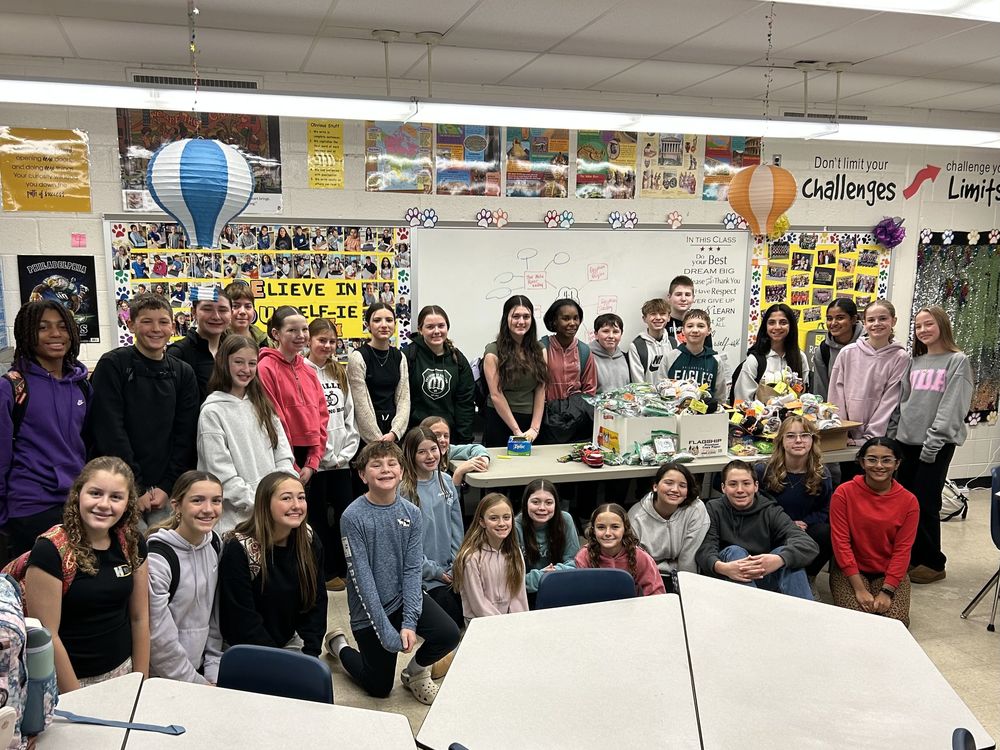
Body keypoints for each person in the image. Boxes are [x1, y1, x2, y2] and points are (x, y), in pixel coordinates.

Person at [324, 442, 461, 705]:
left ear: (401, 472)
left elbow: (412, 570)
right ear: (363, 475)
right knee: (379, 687)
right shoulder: (352, 517)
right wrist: (387, 632)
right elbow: (361, 579)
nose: (385, 470)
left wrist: (409, 622)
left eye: (391, 464)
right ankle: (339, 646)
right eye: (376, 465)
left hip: (401, 598)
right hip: (369, 609)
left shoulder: (411, 513)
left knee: (449, 634)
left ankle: (415, 673)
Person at [24, 456, 149, 691]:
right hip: (69, 683)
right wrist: (79, 700)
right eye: (95, 493)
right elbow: (47, 636)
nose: (104, 504)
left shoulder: (132, 543)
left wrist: (141, 682)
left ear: (128, 503)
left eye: (116, 497)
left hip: (123, 674)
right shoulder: (50, 551)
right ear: (78, 494)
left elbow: (140, 617)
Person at [89, 293, 199, 527]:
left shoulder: (183, 373)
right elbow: (110, 429)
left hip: (165, 490)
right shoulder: (113, 365)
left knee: (164, 556)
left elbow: (185, 434)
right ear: (131, 325)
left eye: (163, 322)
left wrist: (167, 486)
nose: (156, 329)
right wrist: (133, 486)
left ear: (173, 325)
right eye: (146, 321)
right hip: (121, 486)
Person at [889, 306, 973, 584]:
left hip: (935, 444)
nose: (923, 330)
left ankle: (934, 562)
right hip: (906, 443)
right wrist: (895, 438)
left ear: (942, 325)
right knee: (906, 503)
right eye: (918, 326)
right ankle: (912, 556)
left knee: (926, 502)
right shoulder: (915, 362)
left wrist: (933, 442)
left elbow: (952, 406)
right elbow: (903, 402)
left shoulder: (957, 361)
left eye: (929, 324)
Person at [0, 301, 90, 560]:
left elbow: (88, 445)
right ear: (27, 334)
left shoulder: (81, 387)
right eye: (43, 328)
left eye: (63, 327)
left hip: (77, 504)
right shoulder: (12, 388)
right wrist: (6, 516)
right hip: (30, 508)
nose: (55, 334)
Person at [218, 472, 327, 656]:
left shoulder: (307, 540)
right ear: (265, 503)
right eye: (286, 498)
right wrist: (276, 661)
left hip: (291, 643)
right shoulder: (239, 548)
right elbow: (241, 618)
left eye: (301, 498)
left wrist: (311, 651)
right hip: (247, 649)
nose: (296, 505)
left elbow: (316, 603)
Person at [197, 335, 295, 535]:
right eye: (238, 362)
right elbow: (221, 473)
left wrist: (282, 495)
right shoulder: (212, 411)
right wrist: (259, 504)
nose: (246, 369)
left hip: (273, 515)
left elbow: (283, 455)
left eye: (252, 363)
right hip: (237, 520)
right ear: (224, 363)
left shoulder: (263, 405)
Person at [695, 460, 818, 600]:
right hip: (726, 575)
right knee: (735, 551)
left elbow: (808, 544)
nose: (740, 490)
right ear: (723, 488)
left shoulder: (770, 510)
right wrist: (723, 568)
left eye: (746, 483)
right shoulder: (713, 508)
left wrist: (779, 559)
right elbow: (705, 549)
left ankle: (805, 615)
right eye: (733, 484)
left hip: (763, 574)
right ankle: (752, 612)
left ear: (756, 486)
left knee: (788, 558)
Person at [830, 437, 918, 626]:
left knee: (896, 623)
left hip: (888, 571)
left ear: (897, 464)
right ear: (862, 462)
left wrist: (887, 591)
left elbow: (903, 550)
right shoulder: (843, 493)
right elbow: (841, 543)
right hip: (851, 570)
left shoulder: (909, 501)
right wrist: (859, 589)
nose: (879, 465)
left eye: (886, 460)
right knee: (854, 622)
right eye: (872, 459)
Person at [146, 471, 224, 684]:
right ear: (176, 505)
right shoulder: (158, 558)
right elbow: (159, 638)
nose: (208, 509)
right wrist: (194, 683)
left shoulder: (215, 543)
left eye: (216, 501)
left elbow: (214, 617)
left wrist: (213, 670)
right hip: (164, 678)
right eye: (197, 500)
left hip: (201, 672)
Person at [304, 318, 360, 592]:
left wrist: (347, 451)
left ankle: (344, 568)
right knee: (317, 519)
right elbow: (307, 419)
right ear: (309, 341)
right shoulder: (303, 370)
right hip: (317, 464)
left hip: (342, 461)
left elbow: (349, 415)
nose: (326, 346)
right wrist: (323, 454)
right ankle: (325, 572)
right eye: (321, 340)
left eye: (331, 341)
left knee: (345, 517)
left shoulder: (339, 372)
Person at [828, 299, 909, 482]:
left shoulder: (900, 357)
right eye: (871, 320)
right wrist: (843, 430)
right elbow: (836, 394)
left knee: (876, 488)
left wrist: (869, 438)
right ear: (864, 323)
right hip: (847, 439)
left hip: (878, 441)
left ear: (893, 321)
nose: (876, 324)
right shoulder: (848, 353)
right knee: (849, 485)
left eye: (883, 319)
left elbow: (890, 401)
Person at [257, 307, 329, 493]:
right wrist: (290, 463)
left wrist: (313, 461)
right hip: (282, 455)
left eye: (304, 329)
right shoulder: (265, 368)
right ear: (276, 334)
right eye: (292, 330)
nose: (301, 335)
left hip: (310, 460)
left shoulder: (308, 371)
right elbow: (274, 418)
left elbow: (322, 416)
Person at [754, 416, 832, 584]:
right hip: (770, 527)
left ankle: (809, 578)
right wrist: (786, 523)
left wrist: (805, 522)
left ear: (813, 440)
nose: (798, 440)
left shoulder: (822, 474)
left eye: (804, 435)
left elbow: (825, 509)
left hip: (804, 529)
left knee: (826, 533)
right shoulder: (763, 470)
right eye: (790, 436)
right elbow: (756, 505)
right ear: (781, 441)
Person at [399, 426, 464, 630]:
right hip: (425, 575)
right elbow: (405, 545)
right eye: (422, 451)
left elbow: (457, 529)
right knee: (452, 622)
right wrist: (434, 571)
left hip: (452, 570)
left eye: (433, 449)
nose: (430, 456)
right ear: (410, 454)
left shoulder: (446, 481)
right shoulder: (404, 490)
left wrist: (457, 564)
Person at [481, 295, 547, 447]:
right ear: (506, 318)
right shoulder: (493, 352)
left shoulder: (540, 350)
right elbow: (496, 395)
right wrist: (517, 432)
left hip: (531, 422)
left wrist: (534, 429)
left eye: (526, 316)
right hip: (500, 421)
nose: (521, 321)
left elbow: (541, 389)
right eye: (515, 316)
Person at [628, 463, 710, 587]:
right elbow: (637, 562)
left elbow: (688, 558)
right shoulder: (636, 517)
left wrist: (687, 592)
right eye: (669, 483)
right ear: (655, 486)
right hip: (651, 574)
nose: (675, 489)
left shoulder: (696, 509)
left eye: (682, 485)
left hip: (685, 574)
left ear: (687, 491)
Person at [453, 493, 528, 623]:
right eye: (494, 518)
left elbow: (519, 596)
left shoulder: (515, 552)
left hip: (509, 621)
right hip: (480, 622)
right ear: (482, 522)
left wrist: (520, 622)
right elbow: (478, 604)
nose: (501, 523)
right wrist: (502, 623)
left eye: (506, 517)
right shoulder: (471, 557)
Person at [406, 305, 476, 444]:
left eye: (441, 326)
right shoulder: (408, 356)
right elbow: (401, 400)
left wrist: (465, 441)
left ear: (447, 328)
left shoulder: (458, 359)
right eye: (430, 327)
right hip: (416, 437)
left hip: (449, 438)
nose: (436, 331)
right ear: (420, 330)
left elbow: (465, 403)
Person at [347, 303, 410, 446]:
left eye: (389, 320)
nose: (384, 325)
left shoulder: (400, 357)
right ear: (367, 325)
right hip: (366, 436)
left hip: (394, 434)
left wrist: (395, 433)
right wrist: (377, 440)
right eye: (377, 320)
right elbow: (360, 404)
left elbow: (404, 399)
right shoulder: (358, 357)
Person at [539, 297, 597, 443]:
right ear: (554, 321)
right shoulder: (541, 348)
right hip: (546, 419)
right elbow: (535, 385)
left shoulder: (584, 351)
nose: (572, 323)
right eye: (565, 318)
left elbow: (590, 390)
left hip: (577, 420)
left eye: (576, 318)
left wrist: (575, 410)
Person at [513, 480, 580, 607]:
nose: (542, 508)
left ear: (556, 504)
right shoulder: (515, 526)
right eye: (535, 502)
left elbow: (575, 564)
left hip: (559, 588)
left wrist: (549, 575)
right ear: (525, 503)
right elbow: (513, 581)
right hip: (525, 596)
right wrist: (546, 575)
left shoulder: (565, 520)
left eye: (549, 502)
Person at [732, 303, 809, 403]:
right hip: (759, 417)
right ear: (765, 327)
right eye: (771, 322)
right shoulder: (755, 361)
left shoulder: (800, 358)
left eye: (783, 322)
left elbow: (804, 395)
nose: (777, 327)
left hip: (792, 418)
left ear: (791, 326)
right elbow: (742, 400)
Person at [167, 284, 232, 402]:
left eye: (223, 310)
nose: (216, 316)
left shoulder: (233, 352)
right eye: (207, 309)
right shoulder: (178, 354)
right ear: (194, 312)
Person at [663, 309, 731, 405]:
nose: (695, 330)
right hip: (675, 416)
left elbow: (720, 397)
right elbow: (661, 391)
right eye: (690, 326)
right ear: (683, 330)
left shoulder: (715, 360)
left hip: (706, 416)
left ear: (709, 331)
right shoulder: (670, 357)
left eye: (701, 326)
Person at [811, 299, 862, 399]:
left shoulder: (869, 345)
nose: (833, 323)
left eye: (840, 318)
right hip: (836, 411)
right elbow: (821, 391)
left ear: (853, 319)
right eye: (829, 318)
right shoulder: (823, 351)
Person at [421, 416, 490, 487]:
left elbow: (476, 448)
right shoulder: (420, 460)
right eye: (437, 435)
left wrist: (483, 460)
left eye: (446, 436)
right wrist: (459, 472)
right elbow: (444, 496)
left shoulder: (448, 451)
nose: (442, 440)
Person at [628, 298, 673, 386]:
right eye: (653, 314)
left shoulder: (674, 343)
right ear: (644, 318)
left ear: (668, 318)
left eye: (663, 314)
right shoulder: (637, 346)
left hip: (672, 397)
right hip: (648, 398)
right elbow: (638, 383)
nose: (658, 318)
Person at [665, 275, 713, 350]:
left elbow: (708, 354)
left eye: (687, 295)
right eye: (678, 294)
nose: (683, 299)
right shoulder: (662, 323)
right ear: (669, 297)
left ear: (693, 298)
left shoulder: (701, 323)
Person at [591, 313, 632, 393]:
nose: (611, 336)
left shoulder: (625, 357)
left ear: (621, 335)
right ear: (596, 334)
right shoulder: (587, 357)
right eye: (606, 331)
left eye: (616, 332)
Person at [224, 281, 268, 347]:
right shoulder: (217, 339)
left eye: (248, 306)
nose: (242, 311)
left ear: (254, 310)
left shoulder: (265, 341)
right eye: (235, 306)